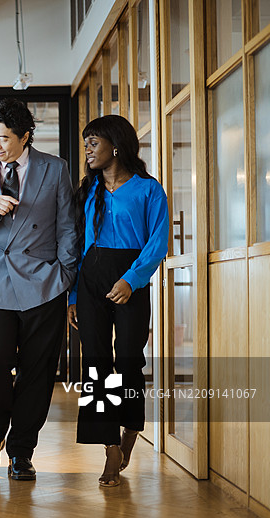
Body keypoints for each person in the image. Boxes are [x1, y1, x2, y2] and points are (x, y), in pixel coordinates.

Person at [0, 98, 78, 480]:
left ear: (25, 136)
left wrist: (64, 274)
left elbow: (67, 228)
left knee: (37, 371)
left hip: (44, 283)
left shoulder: (55, 169)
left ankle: (22, 451)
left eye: (4, 138)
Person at [67, 115, 168, 487]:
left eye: (94, 142)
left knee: (128, 358)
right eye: (86, 143)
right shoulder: (87, 190)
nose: (88, 150)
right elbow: (79, 247)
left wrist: (131, 279)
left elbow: (157, 243)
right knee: (95, 362)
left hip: (130, 275)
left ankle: (130, 427)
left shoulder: (147, 189)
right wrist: (75, 294)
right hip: (90, 277)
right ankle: (109, 444)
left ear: (116, 145)